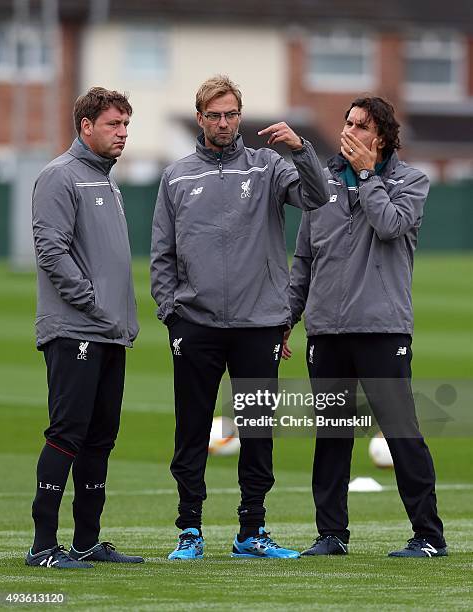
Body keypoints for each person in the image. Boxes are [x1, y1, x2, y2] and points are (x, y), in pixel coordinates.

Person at [150, 74, 328, 560]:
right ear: (200, 117)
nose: (224, 123)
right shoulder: (178, 175)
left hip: (258, 325)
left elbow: (318, 197)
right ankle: (190, 530)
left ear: (240, 116)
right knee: (191, 429)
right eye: (214, 115)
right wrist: (171, 314)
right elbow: (161, 254)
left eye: (231, 114)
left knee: (257, 431)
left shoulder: (269, 166)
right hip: (196, 326)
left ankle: (252, 531)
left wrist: (301, 149)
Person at [286, 96, 447, 558]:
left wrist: (369, 177)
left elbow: (391, 225)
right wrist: (288, 319)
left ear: (382, 136)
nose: (350, 131)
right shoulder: (321, 184)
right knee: (333, 435)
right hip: (326, 332)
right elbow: (304, 259)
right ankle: (331, 534)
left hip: (382, 330)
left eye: (362, 125)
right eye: (348, 123)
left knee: (401, 432)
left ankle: (429, 536)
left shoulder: (410, 182)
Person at [28, 87, 143, 569]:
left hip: (108, 332)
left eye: (125, 125)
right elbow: (51, 251)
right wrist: (94, 306)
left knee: (100, 438)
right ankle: (42, 548)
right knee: (67, 433)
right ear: (86, 126)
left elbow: (111, 262)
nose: (122, 134)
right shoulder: (60, 176)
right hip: (75, 330)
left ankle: (86, 542)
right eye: (114, 125)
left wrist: (123, 318)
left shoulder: (106, 180)